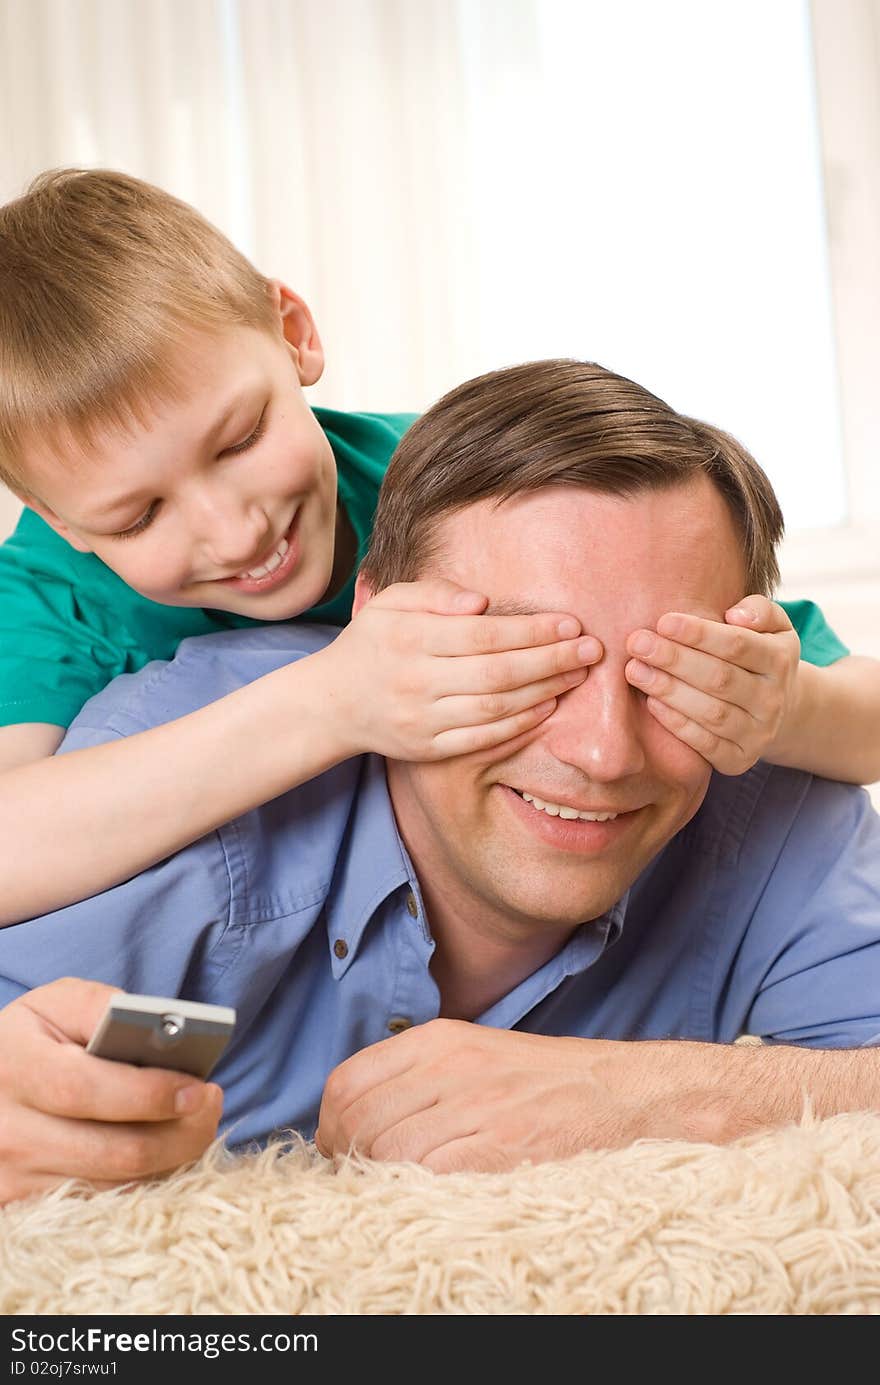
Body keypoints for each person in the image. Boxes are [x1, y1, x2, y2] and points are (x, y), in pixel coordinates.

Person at [1, 358, 879, 1206]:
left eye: (672, 670)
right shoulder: (171, 770)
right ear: (378, 625)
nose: (605, 752)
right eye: (526, 661)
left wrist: (654, 1091)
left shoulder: (773, 785)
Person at [1, 169, 879, 931]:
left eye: (239, 440)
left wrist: (783, 705)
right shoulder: (46, 596)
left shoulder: (458, 488)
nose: (236, 531)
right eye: (138, 516)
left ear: (294, 332)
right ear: (61, 520)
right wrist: (330, 702)